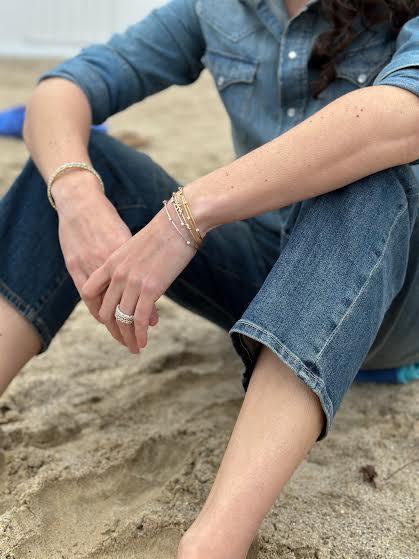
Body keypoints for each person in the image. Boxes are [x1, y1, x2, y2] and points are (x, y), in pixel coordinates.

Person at [1, 0, 419, 557]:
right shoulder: (220, 9)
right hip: (265, 276)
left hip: (391, 296)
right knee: (73, 161)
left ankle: (216, 541)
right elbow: (62, 90)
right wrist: (77, 196)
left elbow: (403, 117)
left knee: (364, 172)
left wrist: (186, 215)